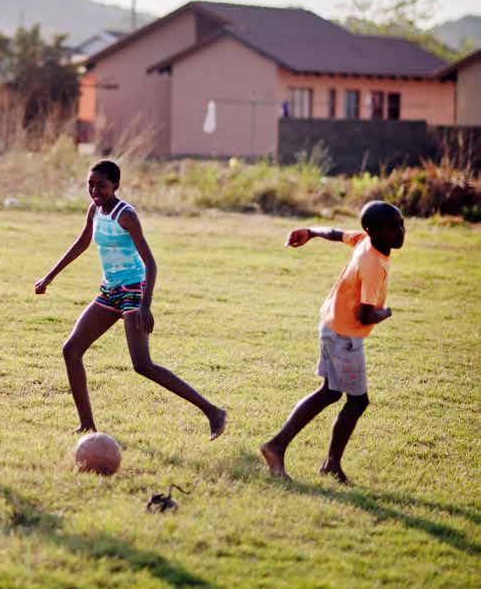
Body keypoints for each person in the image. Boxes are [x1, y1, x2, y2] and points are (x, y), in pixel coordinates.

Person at [34, 160, 226, 439]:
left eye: (101, 185)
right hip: (109, 290)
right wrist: (49, 277)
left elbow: (151, 263)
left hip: (133, 292)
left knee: (142, 365)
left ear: (115, 186)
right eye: (91, 184)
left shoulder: (127, 215)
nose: (95, 190)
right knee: (71, 350)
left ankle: (213, 412)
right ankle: (87, 425)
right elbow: (82, 243)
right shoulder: (95, 210)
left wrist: (145, 305)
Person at [261, 201, 405, 483]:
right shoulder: (374, 264)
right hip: (344, 336)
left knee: (330, 392)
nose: (400, 232)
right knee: (357, 401)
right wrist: (384, 313)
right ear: (374, 230)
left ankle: (319, 461)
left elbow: (337, 233)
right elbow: (365, 315)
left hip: (332, 325)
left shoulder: (365, 239)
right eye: (393, 228)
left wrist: (311, 232)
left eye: (401, 224)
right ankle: (290, 450)